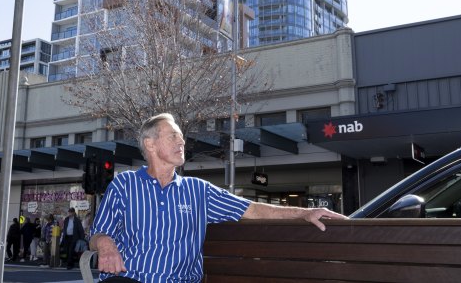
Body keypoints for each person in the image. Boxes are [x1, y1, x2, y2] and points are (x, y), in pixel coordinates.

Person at [89, 113, 348, 282]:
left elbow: (252, 209)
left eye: (182, 137)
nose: (182, 142)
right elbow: (97, 235)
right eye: (173, 136)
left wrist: (304, 213)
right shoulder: (125, 184)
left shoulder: (198, 190)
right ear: (150, 145)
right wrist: (106, 245)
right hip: (129, 278)